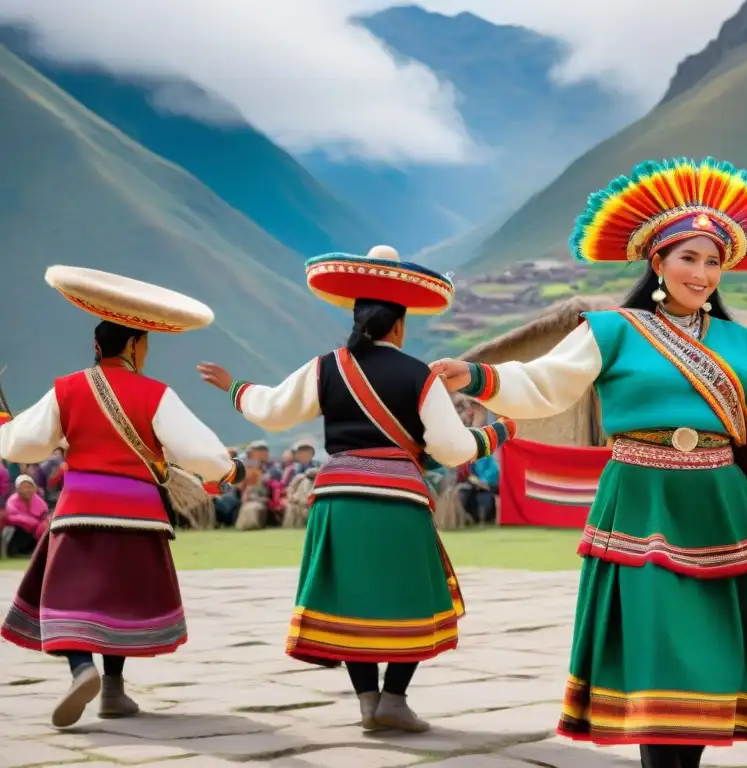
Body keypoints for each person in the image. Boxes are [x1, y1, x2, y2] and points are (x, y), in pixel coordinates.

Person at [431, 157, 747, 767]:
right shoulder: (611, 331)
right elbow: (545, 385)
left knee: (709, 649)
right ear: (657, 263)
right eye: (688, 258)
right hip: (640, 498)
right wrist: (479, 376)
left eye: (713, 260)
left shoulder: (744, 344)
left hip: (720, 504)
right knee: (654, 644)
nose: (701, 272)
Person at [196, 245, 518, 733]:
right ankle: (394, 699)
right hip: (399, 499)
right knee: (412, 595)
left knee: (351, 598)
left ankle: (368, 701)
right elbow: (451, 449)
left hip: (338, 497)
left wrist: (235, 387)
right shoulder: (419, 375)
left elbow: (273, 410)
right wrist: (498, 432)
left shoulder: (325, 367)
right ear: (398, 326)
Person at [0, 266, 244, 728]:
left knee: (65, 597)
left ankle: (81, 670)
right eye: (146, 343)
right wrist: (230, 469)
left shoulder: (66, 389)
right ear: (133, 345)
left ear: (96, 346)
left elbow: (20, 446)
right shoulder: (155, 394)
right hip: (139, 515)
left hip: (78, 511)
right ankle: (113, 691)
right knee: (118, 601)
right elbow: (198, 450)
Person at [2, 474, 50, 556]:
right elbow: (10, 516)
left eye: (29, 487)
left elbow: (44, 514)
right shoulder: (12, 500)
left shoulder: (38, 500)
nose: (27, 490)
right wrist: (31, 522)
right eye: (24, 487)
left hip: (34, 530)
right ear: (18, 489)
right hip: (17, 529)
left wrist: (42, 525)